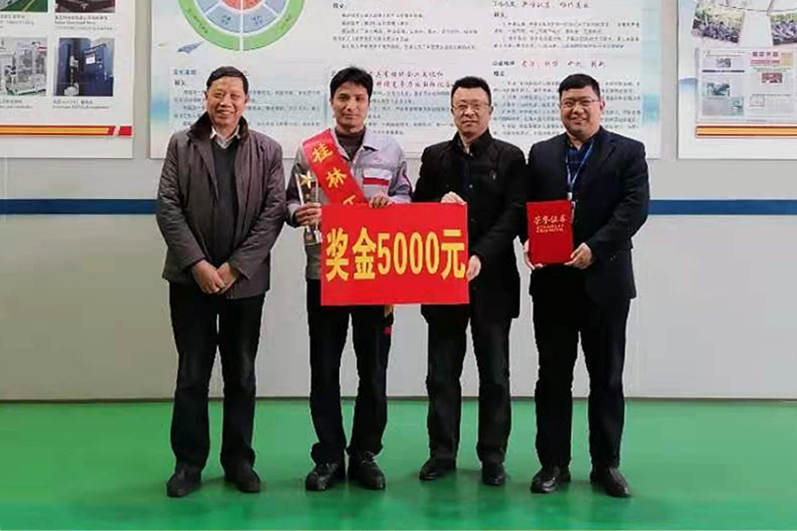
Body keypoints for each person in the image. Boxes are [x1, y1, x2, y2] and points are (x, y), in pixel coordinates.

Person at [156, 66, 286, 498]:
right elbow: (168, 207)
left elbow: (272, 214)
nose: (225, 102)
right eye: (218, 93)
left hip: (244, 284)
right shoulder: (181, 144)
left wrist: (234, 268)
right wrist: (197, 264)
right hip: (190, 281)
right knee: (192, 373)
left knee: (241, 374)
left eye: (234, 95)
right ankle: (188, 464)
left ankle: (239, 461)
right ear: (206, 97)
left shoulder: (267, 150)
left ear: (246, 101)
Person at [286, 66, 412, 491]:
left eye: (358, 98)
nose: (350, 106)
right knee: (324, 367)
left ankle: (364, 454)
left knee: (373, 368)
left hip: (376, 273)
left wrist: (391, 204)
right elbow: (290, 201)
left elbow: (407, 197)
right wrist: (298, 214)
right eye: (343, 97)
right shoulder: (311, 152)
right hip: (326, 271)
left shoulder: (390, 151)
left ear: (369, 103)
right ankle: (328, 455)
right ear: (332, 101)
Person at [524, 73, 649, 498]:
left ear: (601, 105)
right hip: (554, 284)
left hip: (605, 282)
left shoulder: (628, 152)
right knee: (552, 378)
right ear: (559, 107)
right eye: (568, 102)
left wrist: (595, 248)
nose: (576, 109)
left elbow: (634, 208)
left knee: (607, 378)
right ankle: (553, 464)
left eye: (584, 101)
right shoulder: (542, 154)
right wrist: (529, 241)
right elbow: (528, 207)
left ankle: (606, 465)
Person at [412, 76, 525, 486]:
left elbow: (514, 214)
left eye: (477, 105)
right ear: (452, 110)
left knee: (494, 373)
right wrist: (436, 205)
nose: (469, 112)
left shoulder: (511, 157)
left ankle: (492, 456)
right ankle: (442, 452)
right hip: (443, 282)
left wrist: (479, 255)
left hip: (492, 281)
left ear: (491, 110)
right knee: (441, 372)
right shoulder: (434, 157)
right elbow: (416, 210)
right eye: (461, 105)